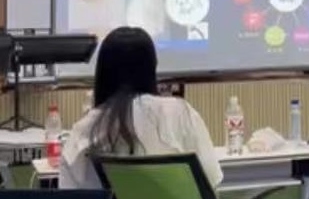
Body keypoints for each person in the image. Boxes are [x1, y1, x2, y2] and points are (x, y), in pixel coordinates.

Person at [59, 26, 222, 190]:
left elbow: (69, 195)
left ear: (102, 73)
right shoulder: (180, 114)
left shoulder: (84, 131)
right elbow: (211, 180)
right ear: (152, 69)